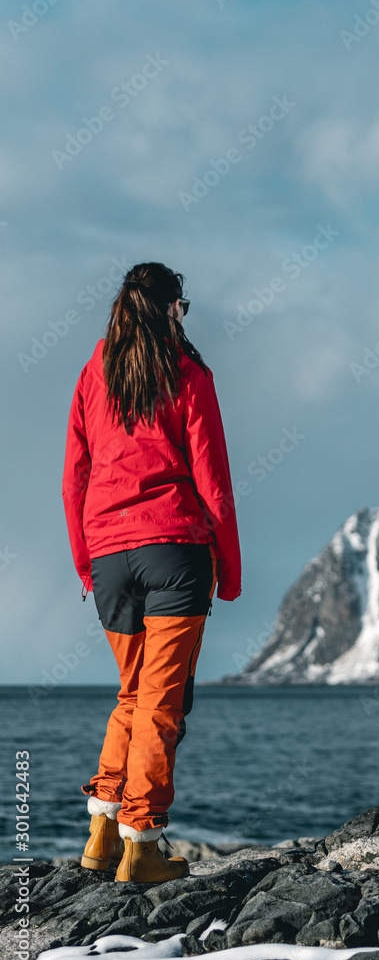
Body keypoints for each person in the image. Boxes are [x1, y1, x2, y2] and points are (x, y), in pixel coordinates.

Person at [62, 261, 242, 883]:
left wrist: (87, 562)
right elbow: (212, 481)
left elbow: (74, 477)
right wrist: (231, 569)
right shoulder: (188, 374)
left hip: (109, 557)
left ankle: (101, 832)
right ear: (170, 310)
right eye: (182, 307)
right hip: (175, 553)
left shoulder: (94, 374)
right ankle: (143, 846)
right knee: (162, 704)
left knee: (133, 695)